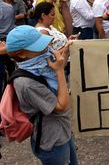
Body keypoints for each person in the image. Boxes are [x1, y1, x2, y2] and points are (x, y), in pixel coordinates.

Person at [6, 25, 77, 165]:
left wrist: (66, 51)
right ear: (21, 54)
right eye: (39, 46)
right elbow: (61, 106)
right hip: (52, 141)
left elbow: (55, 65)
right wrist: (60, 71)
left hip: (63, 130)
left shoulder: (37, 66)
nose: (47, 48)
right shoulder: (26, 83)